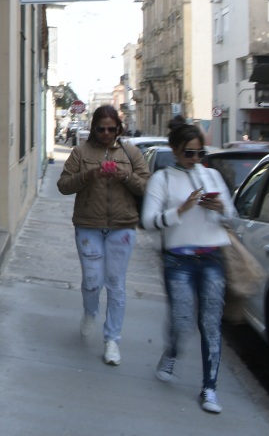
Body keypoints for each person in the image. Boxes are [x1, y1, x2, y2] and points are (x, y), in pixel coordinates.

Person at [141, 115, 235, 414]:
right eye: (189, 153)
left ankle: (209, 388)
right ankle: (172, 352)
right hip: (178, 260)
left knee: (210, 323)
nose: (195, 159)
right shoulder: (163, 179)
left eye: (200, 153)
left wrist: (220, 207)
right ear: (175, 150)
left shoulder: (212, 176)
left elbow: (232, 216)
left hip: (211, 257)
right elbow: (149, 222)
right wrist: (181, 210)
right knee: (182, 322)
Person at [57, 105, 149, 366]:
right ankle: (90, 311)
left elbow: (146, 186)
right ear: (94, 129)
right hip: (89, 225)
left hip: (122, 227)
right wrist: (89, 174)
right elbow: (63, 185)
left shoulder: (131, 153)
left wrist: (125, 175)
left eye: (111, 129)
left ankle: (112, 340)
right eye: (101, 129)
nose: (106, 134)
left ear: (118, 129)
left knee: (116, 284)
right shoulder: (80, 152)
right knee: (92, 280)